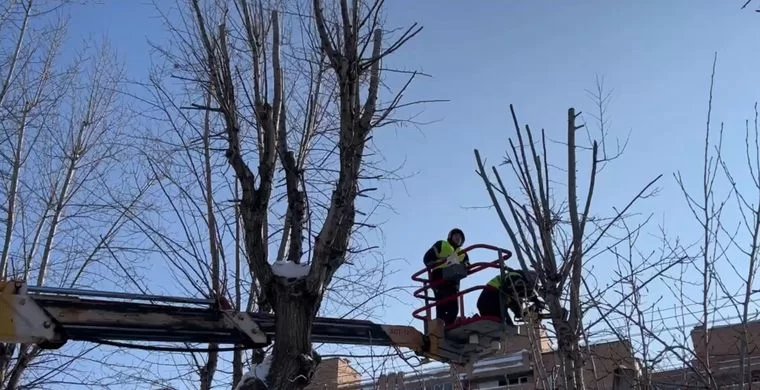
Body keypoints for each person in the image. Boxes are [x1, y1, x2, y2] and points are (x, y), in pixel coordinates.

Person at [423, 228, 470, 326]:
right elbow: (427, 259)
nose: (458, 238)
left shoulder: (463, 253)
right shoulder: (442, 244)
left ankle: (444, 329)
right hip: (439, 278)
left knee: (452, 309)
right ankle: (441, 329)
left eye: (460, 237)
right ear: (450, 236)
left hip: (453, 283)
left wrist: (465, 266)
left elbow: (468, 266)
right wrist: (442, 261)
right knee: (442, 306)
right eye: (456, 236)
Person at [477, 266, 543, 326]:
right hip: (489, 298)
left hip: (490, 301)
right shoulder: (515, 276)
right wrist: (534, 299)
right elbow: (513, 288)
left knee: (505, 322)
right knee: (505, 323)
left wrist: (520, 313)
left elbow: (515, 298)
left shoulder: (514, 291)